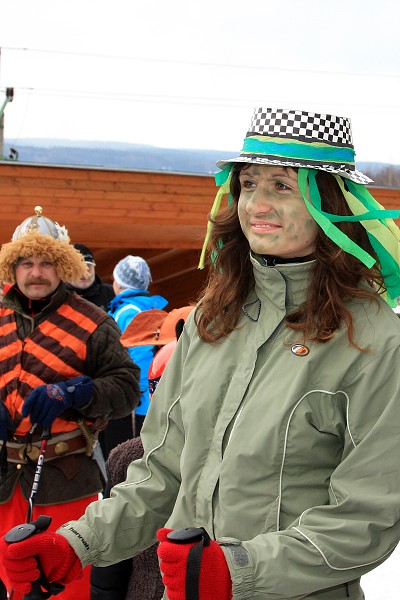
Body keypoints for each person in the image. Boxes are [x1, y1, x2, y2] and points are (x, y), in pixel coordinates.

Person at [2, 107, 400, 600]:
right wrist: (74, 545)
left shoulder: (374, 341)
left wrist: (237, 571)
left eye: (282, 186)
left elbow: (368, 515)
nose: (257, 203)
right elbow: (162, 472)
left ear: (330, 203)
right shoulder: (213, 319)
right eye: (248, 184)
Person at [0, 206, 140, 600]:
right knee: (10, 582)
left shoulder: (93, 320)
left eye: (46, 262)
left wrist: (75, 394)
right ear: (13, 268)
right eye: (26, 262)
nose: (36, 272)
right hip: (4, 481)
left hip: (67, 480)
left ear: (62, 266)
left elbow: (128, 388)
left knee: (65, 584)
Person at [68, 243, 133, 459]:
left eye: (89, 266)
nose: (85, 272)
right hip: (75, 380)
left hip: (108, 377)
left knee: (114, 444)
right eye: (80, 267)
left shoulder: (109, 294)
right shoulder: (62, 298)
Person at [108, 255, 168, 436]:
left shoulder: (129, 312)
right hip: (151, 397)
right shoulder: (147, 308)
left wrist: (137, 392)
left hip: (137, 403)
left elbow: (140, 352)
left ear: (119, 284)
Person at [68, 243, 115, 312]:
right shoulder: (57, 297)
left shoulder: (110, 293)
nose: (84, 273)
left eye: (88, 266)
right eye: (77, 268)